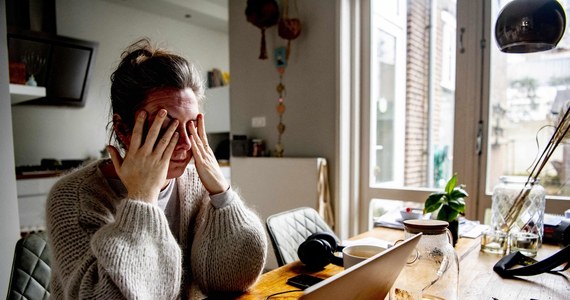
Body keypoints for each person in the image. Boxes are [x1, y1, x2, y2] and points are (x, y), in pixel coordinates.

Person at [46, 38, 267, 299]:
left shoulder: (194, 181)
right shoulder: (73, 197)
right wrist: (141, 200)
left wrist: (223, 195)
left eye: (192, 126)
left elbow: (233, 279)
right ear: (123, 129)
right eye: (166, 127)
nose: (185, 143)